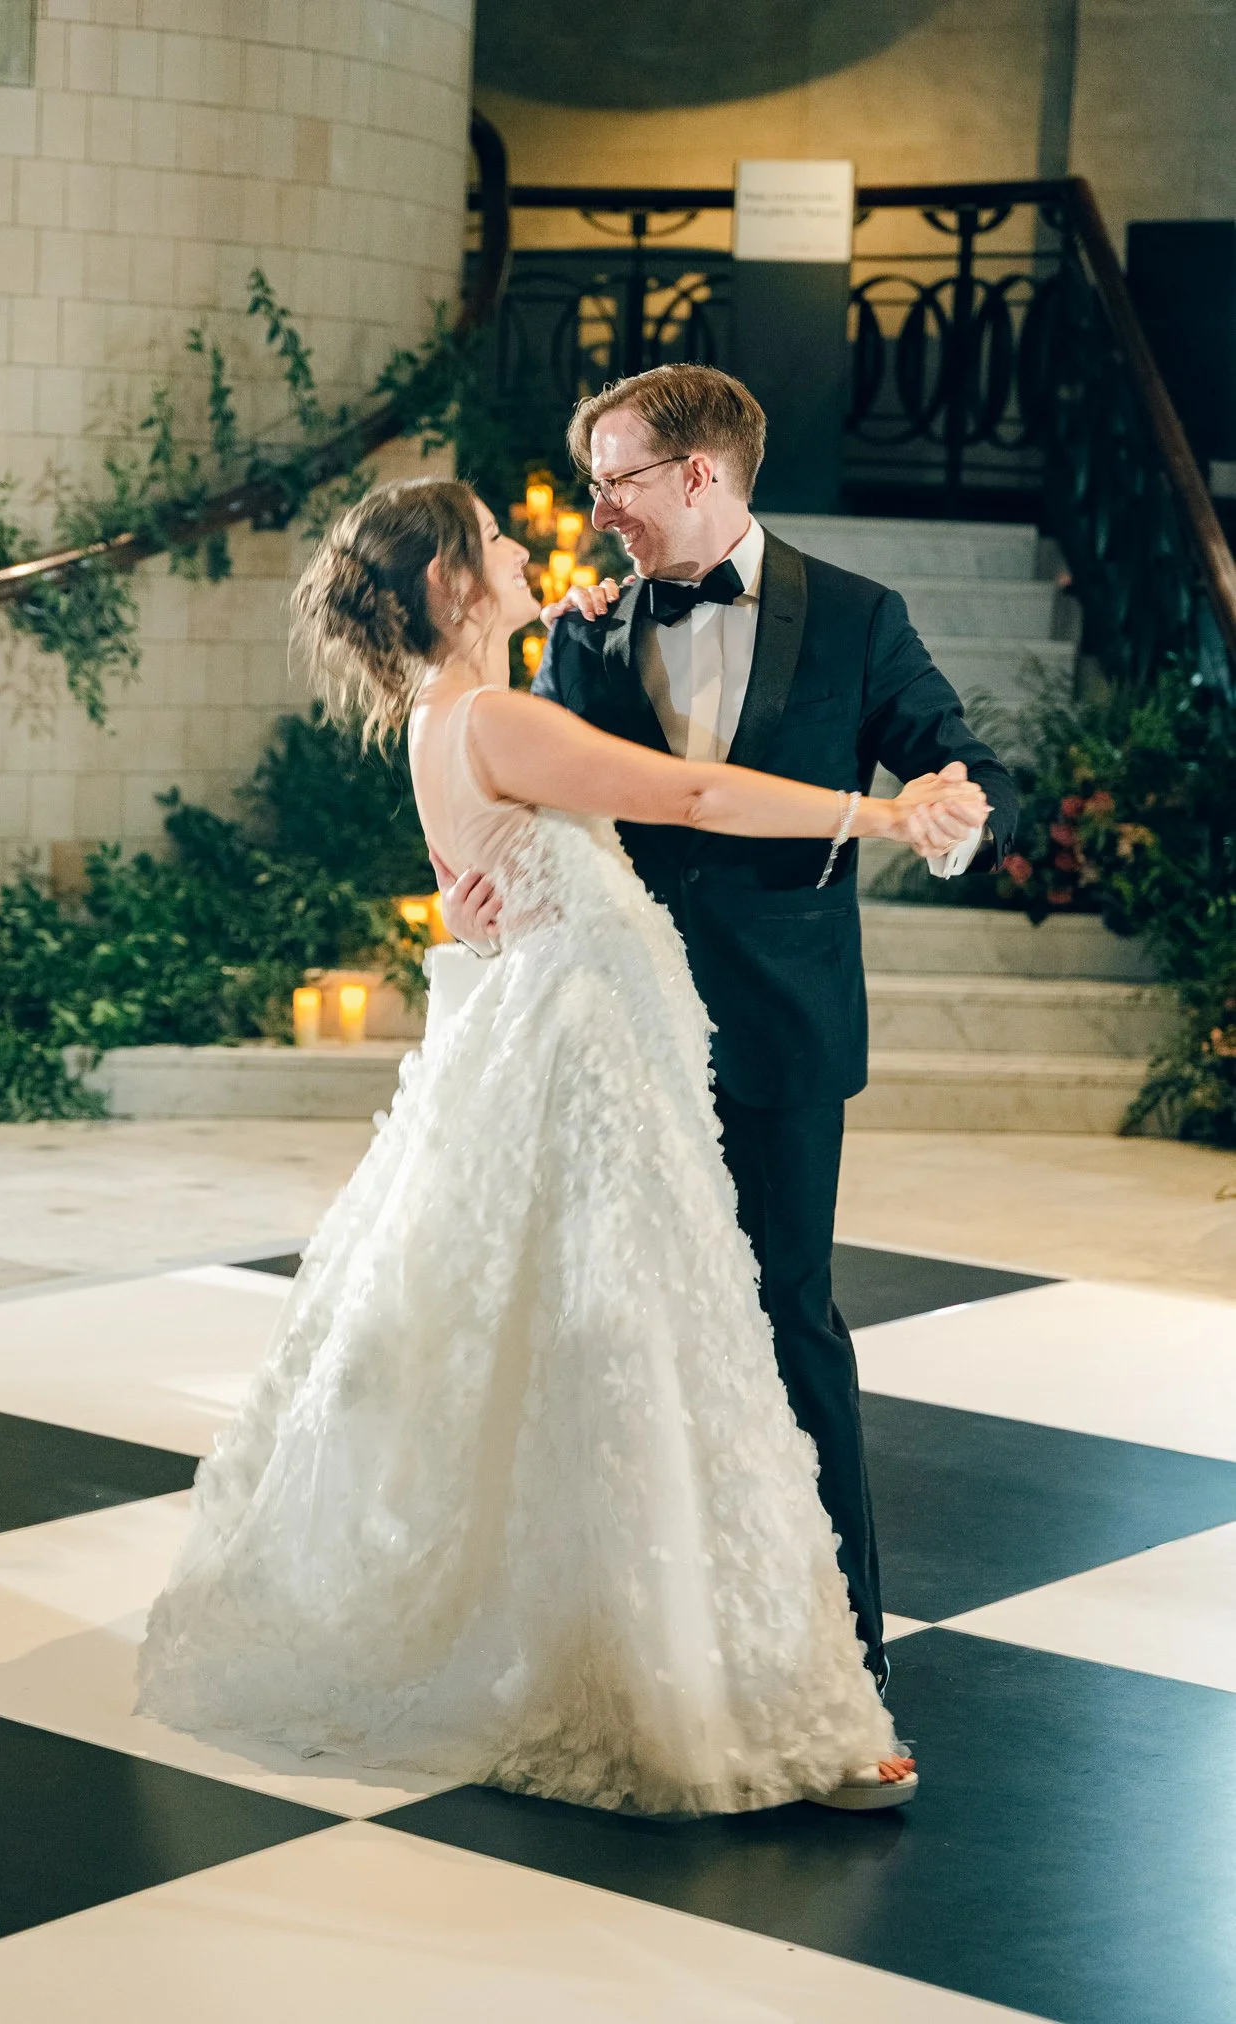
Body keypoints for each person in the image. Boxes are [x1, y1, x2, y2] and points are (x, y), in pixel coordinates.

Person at [137, 477, 989, 1815]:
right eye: (495, 539)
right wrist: (877, 816)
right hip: (586, 1062)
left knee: (584, 1349)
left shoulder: (453, 713)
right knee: (649, 1348)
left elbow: (518, 859)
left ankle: (618, 1639)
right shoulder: (497, 715)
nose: (536, 540)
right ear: (447, 589)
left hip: (585, 1042)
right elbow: (692, 796)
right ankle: (685, 1674)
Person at [439, 366, 1019, 1699]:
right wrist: (482, 900)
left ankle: (839, 1648)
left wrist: (949, 806)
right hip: (612, 1022)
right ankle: (637, 1638)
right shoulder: (583, 633)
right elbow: (548, 817)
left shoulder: (859, 618)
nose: (596, 509)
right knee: (619, 1326)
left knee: (787, 1318)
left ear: (699, 473)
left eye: (618, 478)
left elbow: (956, 755)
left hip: (781, 1023)